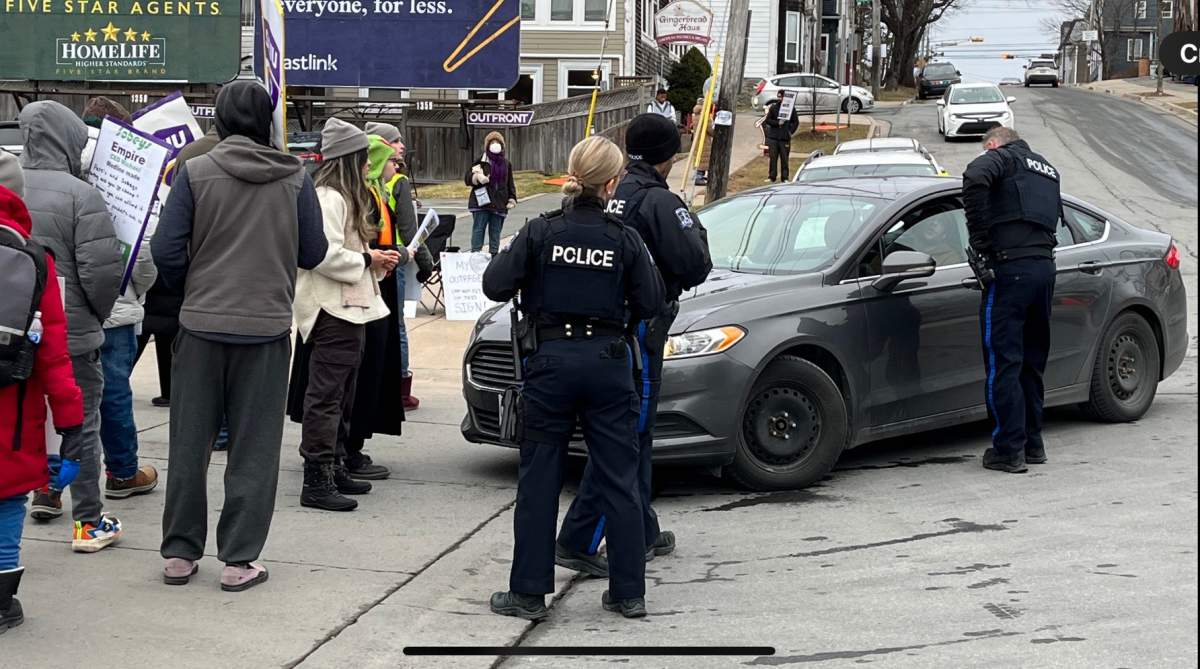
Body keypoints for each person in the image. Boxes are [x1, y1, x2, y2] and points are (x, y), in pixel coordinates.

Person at [153, 81, 328, 591]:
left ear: (222, 122)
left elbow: (165, 249)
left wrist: (197, 283)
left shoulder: (195, 172)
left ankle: (180, 555)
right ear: (267, 122)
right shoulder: (296, 177)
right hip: (267, 328)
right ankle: (238, 560)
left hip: (201, 325)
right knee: (254, 447)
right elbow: (313, 252)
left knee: (189, 442)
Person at [482, 135, 663, 620]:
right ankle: (628, 593)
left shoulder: (540, 232)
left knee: (540, 478)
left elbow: (494, 283)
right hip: (607, 364)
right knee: (619, 478)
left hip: (551, 364)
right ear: (612, 182)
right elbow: (651, 301)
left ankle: (527, 593)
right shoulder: (623, 237)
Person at [556, 113, 712, 577]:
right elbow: (696, 262)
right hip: (641, 328)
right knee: (629, 435)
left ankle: (640, 528)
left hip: (603, 329)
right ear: (669, 155)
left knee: (635, 436)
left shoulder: (612, 191)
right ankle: (580, 537)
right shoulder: (659, 201)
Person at [19, 101, 125, 552]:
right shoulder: (82, 194)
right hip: (72, 331)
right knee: (80, 423)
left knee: (20, 421)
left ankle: (42, 492)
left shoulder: (10, 185)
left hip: (11, 333)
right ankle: (87, 523)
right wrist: (96, 319)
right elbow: (101, 272)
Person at [292, 119, 402, 512]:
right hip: (332, 308)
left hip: (347, 307)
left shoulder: (338, 197)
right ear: (349, 159)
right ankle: (317, 476)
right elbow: (322, 254)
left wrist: (372, 263)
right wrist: (369, 258)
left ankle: (334, 463)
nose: (367, 166)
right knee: (327, 394)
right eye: (362, 159)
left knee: (343, 391)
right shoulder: (329, 197)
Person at [0, 156, 85, 633]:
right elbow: (54, 352)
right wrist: (70, 423)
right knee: (8, 497)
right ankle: (1, 602)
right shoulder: (34, 257)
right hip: (12, 407)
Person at [962, 126, 1061, 474]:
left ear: (992, 144)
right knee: (1031, 364)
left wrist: (981, 242)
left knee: (1004, 363)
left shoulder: (1000, 158)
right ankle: (1033, 445)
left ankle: (1007, 450)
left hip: (1010, 272)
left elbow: (974, 177)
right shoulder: (1046, 168)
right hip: (1044, 271)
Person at [78, 103, 162, 501]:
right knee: (113, 390)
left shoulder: (43, 166)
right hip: (115, 301)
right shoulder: (129, 168)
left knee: (55, 393)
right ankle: (123, 473)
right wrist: (137, 288)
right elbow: (143, 248)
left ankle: (49, 486)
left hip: (57, 303)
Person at [365, 122, 433, 411]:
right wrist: (425, 260)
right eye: (396, 141)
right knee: (398, 328)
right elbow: (410, 227)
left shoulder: (372, 183)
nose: (401, 146)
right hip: (393, 260)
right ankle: (401, 386)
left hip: (379, 260)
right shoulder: (397, 182)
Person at [466, 131, 518, 254]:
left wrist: (512, 198)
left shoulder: (506, 164)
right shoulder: (480, 162)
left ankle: (494, 258)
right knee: (478, 231)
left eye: (497, 142)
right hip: (481, 204)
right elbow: (467, 178)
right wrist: (477, 178)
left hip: (499, 204)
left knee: (495, 234)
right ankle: (475, 256)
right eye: (492, 142)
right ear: (487, 145)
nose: (495, 144)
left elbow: (510, 183)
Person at [763, 90, 800, 183]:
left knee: (784, 159)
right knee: (773, 158)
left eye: (781, 96)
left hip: (784, 138)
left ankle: (785, 177)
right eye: (778, 97)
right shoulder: (774, 107)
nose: (780, 98)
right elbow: (768, 120)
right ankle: (772, 176)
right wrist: (777, 123)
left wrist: (790, 132)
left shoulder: (791, 109)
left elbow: (796, 122)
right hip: (774, 138)